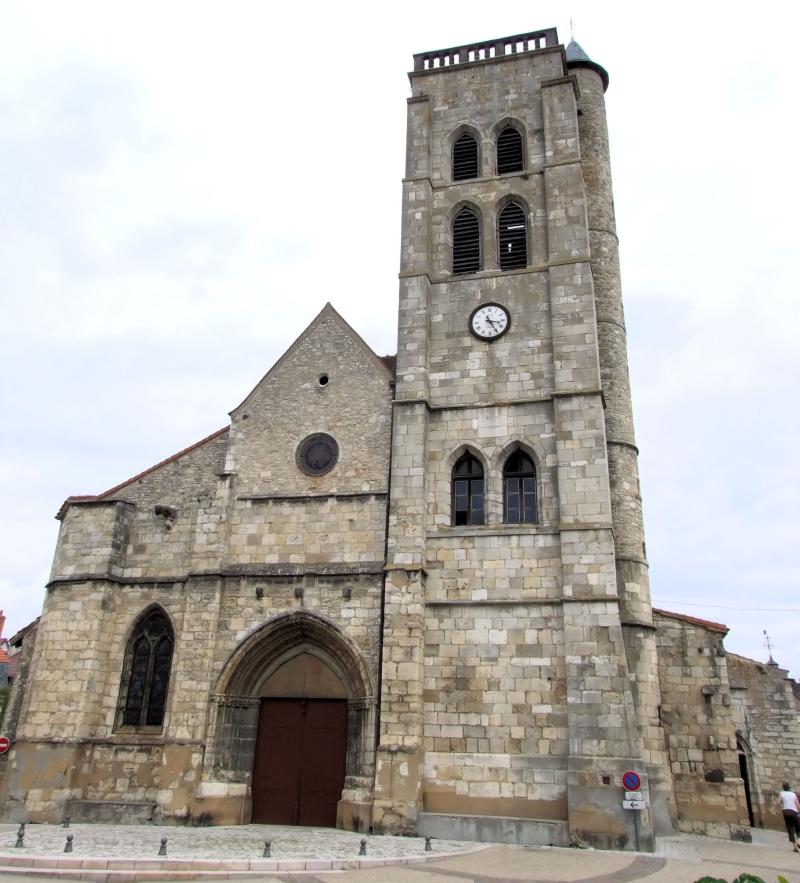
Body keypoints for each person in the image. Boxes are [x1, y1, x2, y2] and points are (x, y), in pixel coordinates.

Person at [778, 782, 800, 852]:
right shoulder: (793, 794)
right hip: (794, 812)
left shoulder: (782, 793)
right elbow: (797, 804)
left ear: (783, 787)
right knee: (798, 827)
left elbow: (778, 802)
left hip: (786, 812)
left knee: (790, 828)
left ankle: (795, 846)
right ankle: (799, 841)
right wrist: (799, 812)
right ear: (789, 787)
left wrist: (782, 807)